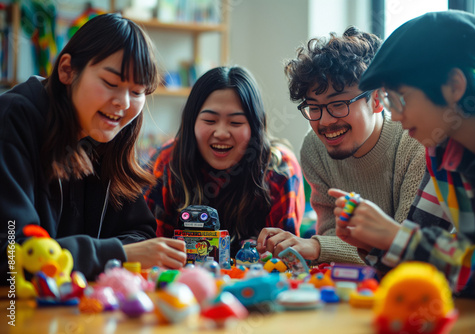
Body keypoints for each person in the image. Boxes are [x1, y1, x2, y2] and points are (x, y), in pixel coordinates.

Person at [0, 14, 187, 286]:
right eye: (111, 84)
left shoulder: (106, 137)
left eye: (137, 92)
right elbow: (12, 254)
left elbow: (139, 231)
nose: (123, 103)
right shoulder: (12, 119)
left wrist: (109, 255)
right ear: (67, 70)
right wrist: (116, 254)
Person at [331, 11, 475, 299]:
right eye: (387, 100)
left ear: (454, 86)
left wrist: (395, 237)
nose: (394, 116)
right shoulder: (441, 151)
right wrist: (372, 240)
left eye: (400, 98)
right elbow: (431, 257)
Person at [257, 27, 426, 264]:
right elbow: (333, 236)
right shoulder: (314, 149)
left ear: (376, 99)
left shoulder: (415, 143)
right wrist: (320, 245)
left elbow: (405, 250)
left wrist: (317, 247)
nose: (325, 122)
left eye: (338, 104)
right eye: (314, 107)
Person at [144, 66, 305, 258]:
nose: (221, 133)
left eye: (235, 123)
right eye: (210, 120)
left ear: (255, 128)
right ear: (191, 122)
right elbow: (151, 248)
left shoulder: (279, 168)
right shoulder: (167, 161)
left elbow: (284, 256)